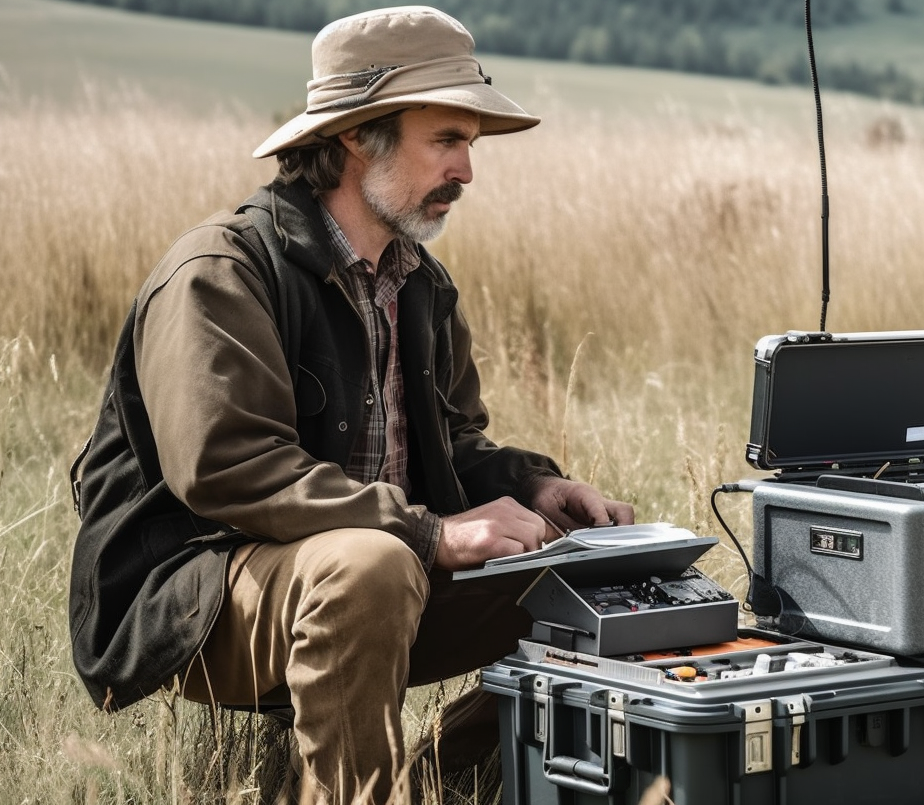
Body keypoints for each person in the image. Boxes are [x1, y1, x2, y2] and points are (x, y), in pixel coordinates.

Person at [66, 6, 634, 801]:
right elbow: (226, 468)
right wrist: (431, 533)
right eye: (446, 140)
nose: (467, 170)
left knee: (603, 568)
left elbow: (451, 445)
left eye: (470, 144)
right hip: (202, 596)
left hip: (374, 571)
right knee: (371, 563)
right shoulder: (221, 272)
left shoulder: (421, 283)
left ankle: (440, 776)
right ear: (356, 138)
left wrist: (535, 487)